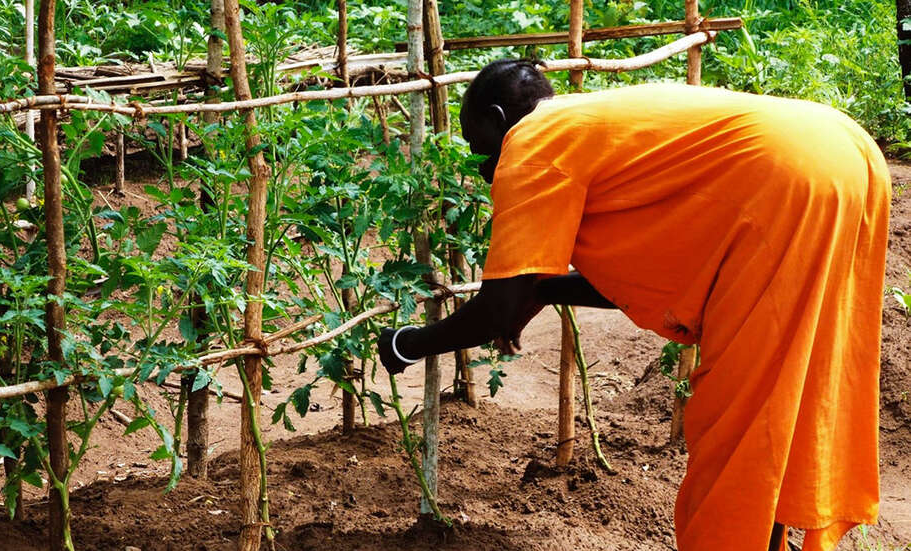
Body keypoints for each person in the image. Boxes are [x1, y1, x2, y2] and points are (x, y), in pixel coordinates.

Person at [375, 59, 890, 551]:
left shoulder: (530, 145)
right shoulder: (588, 128)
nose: (481, 165)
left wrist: (410, 343)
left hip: (789, 183)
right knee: (791, 390)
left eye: (476, 145)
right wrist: (546, 290)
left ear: (497, 119)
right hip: (842, 153)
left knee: (742, 422)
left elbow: (496, 308)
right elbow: (636, 279)